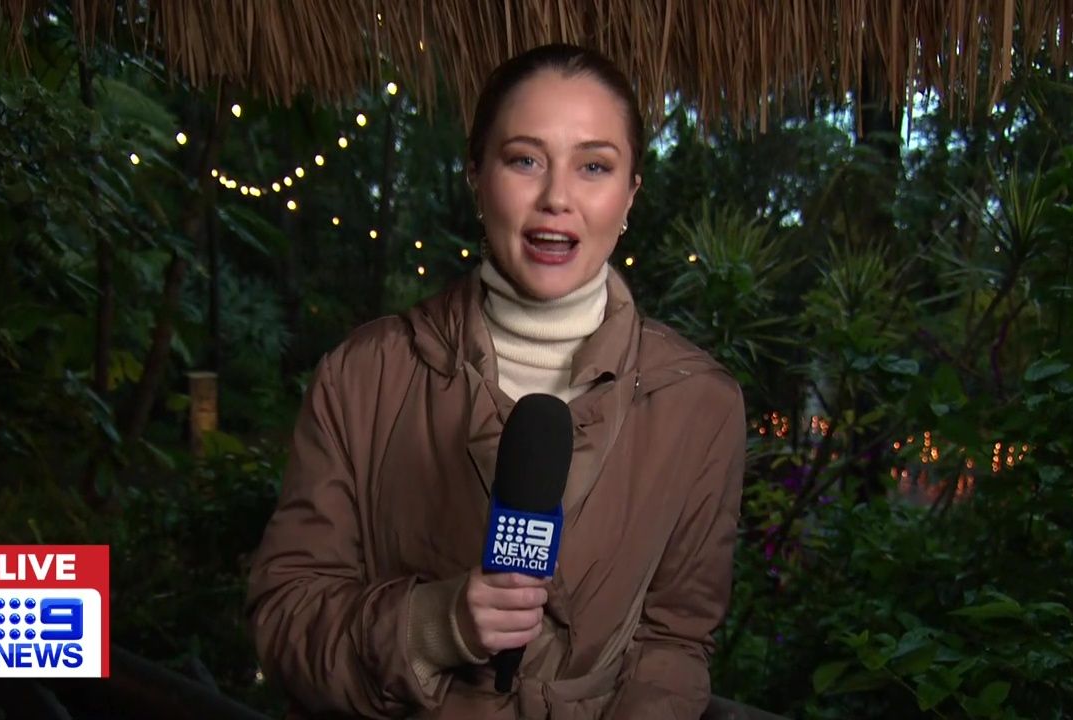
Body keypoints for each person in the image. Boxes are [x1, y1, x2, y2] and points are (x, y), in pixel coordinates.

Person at [246, 43, 747, 720]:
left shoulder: (700, 405)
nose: (557, 198)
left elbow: (676, 642)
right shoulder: (363, 376)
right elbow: (284, 618)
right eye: (524, 160)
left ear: (631, 193)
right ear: (476, 175)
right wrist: (435, 624)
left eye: (593, 166)